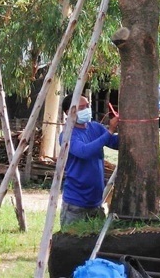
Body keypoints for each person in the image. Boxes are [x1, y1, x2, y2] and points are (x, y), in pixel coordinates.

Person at [59, 93, 119, 228]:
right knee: (72, 245)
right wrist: (109, 131)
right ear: (69, 112)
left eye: (87, 106)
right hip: (75, 205)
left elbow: (115, 143)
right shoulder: (67, 135)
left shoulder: (95, 128)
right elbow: (84, 152)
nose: (87, 110)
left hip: (96, 203)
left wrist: (128, 127)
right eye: (82, 107)